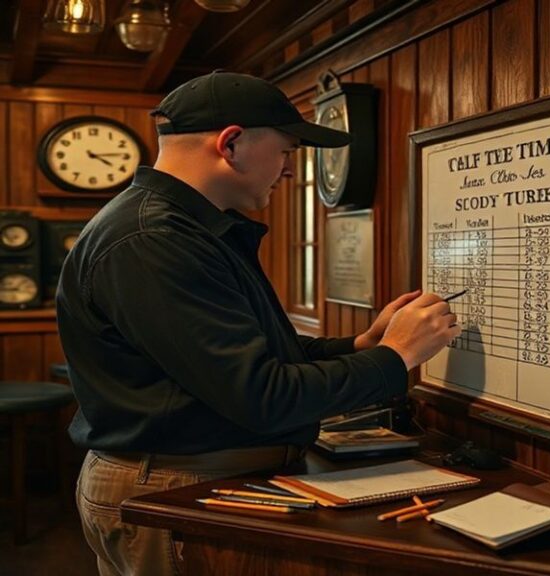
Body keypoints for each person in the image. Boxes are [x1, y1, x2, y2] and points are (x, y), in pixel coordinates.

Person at [56, 70, 461, 576]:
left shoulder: (186, 227)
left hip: (185, 476)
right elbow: (261, 395)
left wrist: (362, 343)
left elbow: (254, 354)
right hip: (173, 485)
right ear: (231, 144)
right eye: (287, 152)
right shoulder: (154, 240)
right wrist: (396, 356)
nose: (289, 171)